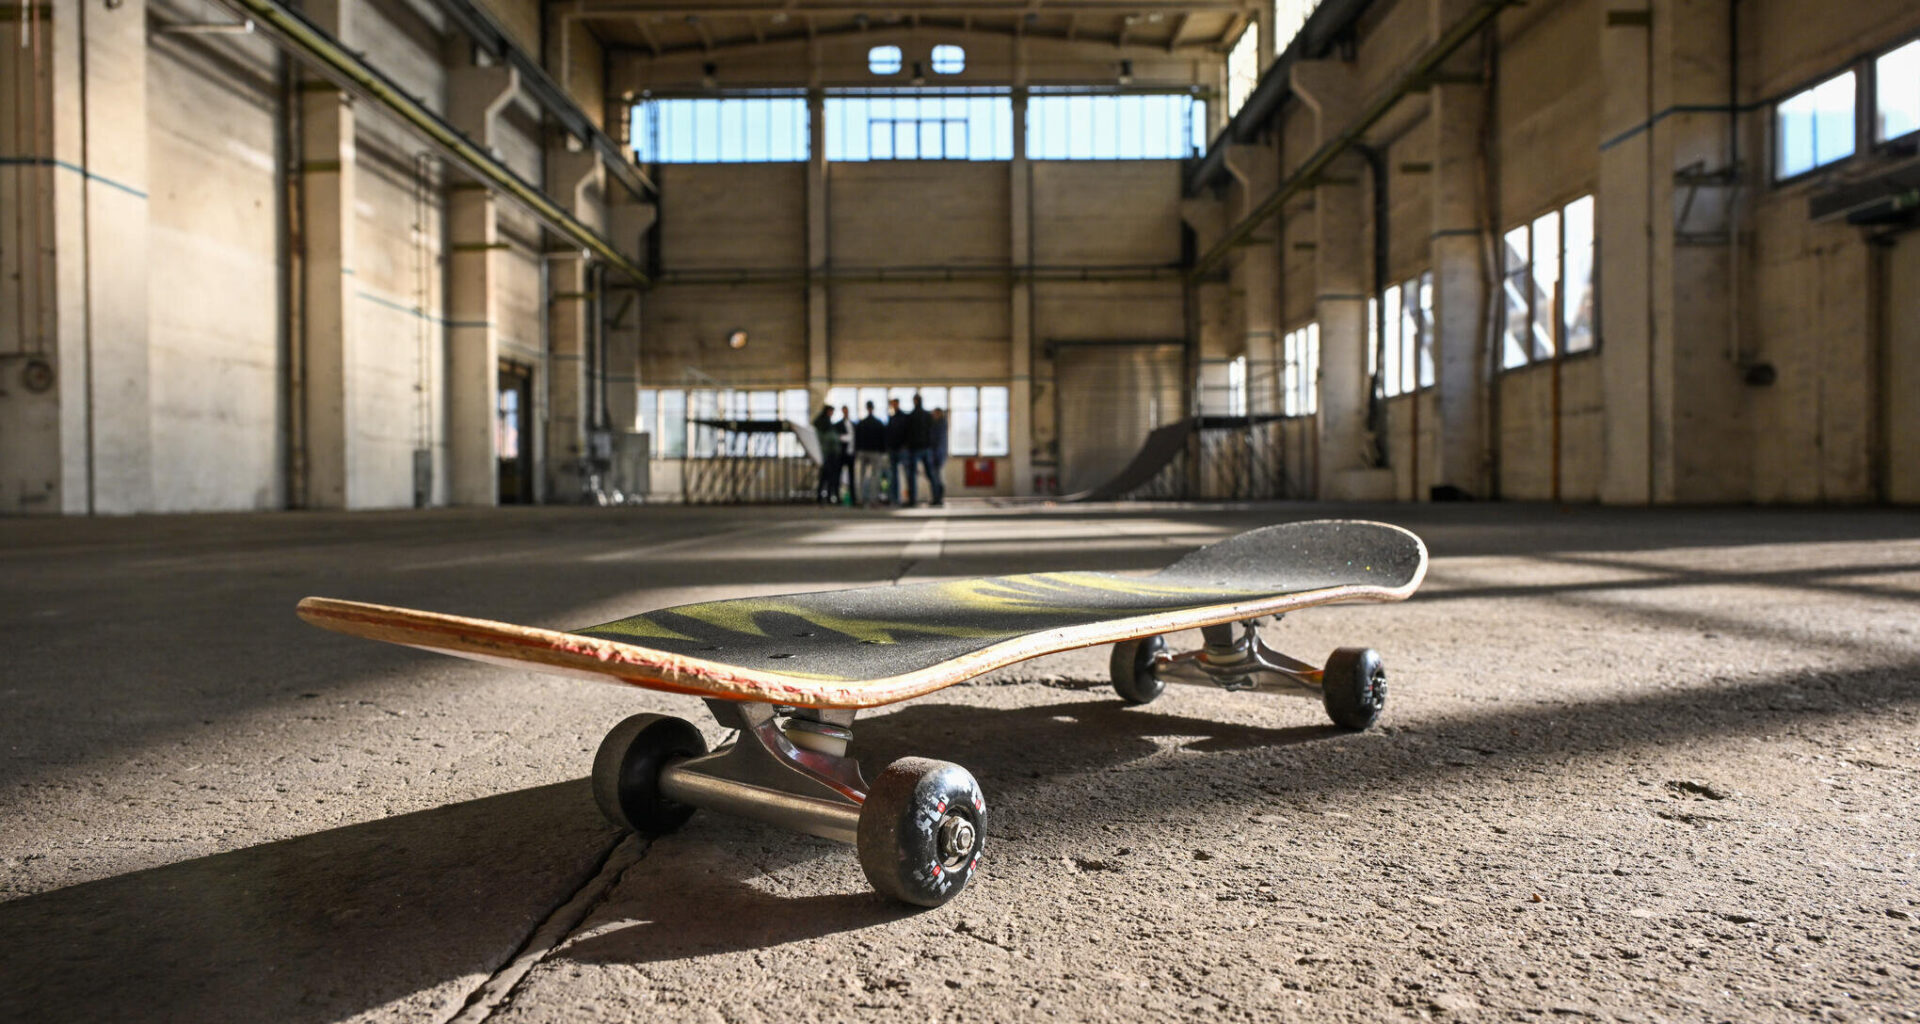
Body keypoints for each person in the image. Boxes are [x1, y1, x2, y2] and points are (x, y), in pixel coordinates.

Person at [904, 393, 944, 508]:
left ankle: (912, 500)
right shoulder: (927, 416)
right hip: (926, 449)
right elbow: (931, 432)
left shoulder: (911, 416)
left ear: (915, 401)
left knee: (912, 476)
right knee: (931, 474)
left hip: (915, 449)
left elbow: (907, 433)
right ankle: (937, 498)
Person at [853, 401, 887, 507]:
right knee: (875, 476)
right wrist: (883, 451)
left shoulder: (861, 423)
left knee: (861, 476)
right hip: (875, 452)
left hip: (862, 451)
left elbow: (856, 439)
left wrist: (857, 451)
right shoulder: (878, 423)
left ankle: (861, 499)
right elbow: (883, 439)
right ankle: (873, 500)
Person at [811, 403, 842, 505]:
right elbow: (826, 438)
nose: (831, 414)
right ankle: (822, 497)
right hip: (826, 453)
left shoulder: (827, 423)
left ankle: (827, 496)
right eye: (830, 411)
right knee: (825, 476)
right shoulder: (822, 423)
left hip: (830, 453)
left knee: (828, 476)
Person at [884, 397, 909, 506]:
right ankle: (895, 498)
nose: (893, 406)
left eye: (894, 404)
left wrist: (904, 446)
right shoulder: (891, 418)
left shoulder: (903, 417)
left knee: (906, 474)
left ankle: (908, 497)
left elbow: (907, 433)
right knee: (893, 476)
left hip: (902, 449)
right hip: (893, 450)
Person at [929, 408, 950, 507]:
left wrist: (936, 456)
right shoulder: (939, 425)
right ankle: (936, 498)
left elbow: (938, 443)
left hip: (937, 456)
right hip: (937, 455)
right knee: (936, 478)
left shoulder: (939, 426)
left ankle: (938, 498)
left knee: (937, 478)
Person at [836, 405, 857, 503]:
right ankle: (838, 497)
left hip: (851, 454)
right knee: (839, 476)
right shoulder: (838, 425)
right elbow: (838, 438)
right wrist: (846, 438)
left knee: (852, 476)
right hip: (841, 455)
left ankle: (853, 497)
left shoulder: (853, 424)